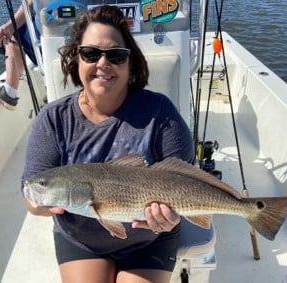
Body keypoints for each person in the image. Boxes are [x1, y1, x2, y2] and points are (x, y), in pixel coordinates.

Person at [22, 5, 194, 283]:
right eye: (90, 53)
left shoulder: (160, 112)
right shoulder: (53, 119)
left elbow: (185, 180)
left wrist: (171, 217)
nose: (103, 63)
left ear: (131, 63)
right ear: (75, 60)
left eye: (115, 55)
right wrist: (40, 204)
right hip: (81, 240)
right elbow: (30, 193)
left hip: (150, 238)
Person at [0, 0, 40, 110]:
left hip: (46, 51)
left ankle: (9, 92)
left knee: (14, 32)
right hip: (83, 47)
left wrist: (10, 27)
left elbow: (29, 4)